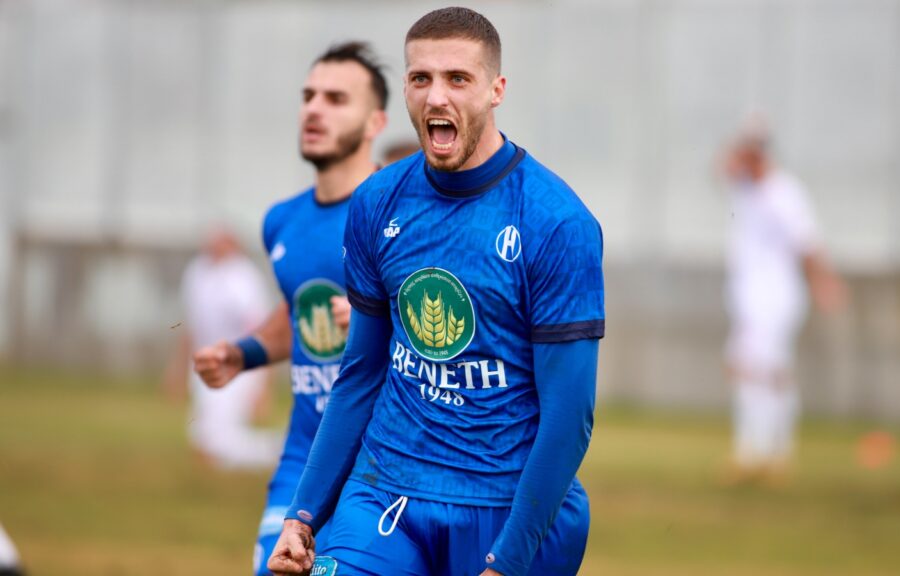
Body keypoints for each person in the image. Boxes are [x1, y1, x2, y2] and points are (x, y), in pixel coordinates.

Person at [268, 7, 604, 576]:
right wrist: (302, 515)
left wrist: (510, 560)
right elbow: (361, 373)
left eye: (458, 78)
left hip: (505, 507)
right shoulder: (377, 202)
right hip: (384, 489)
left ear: (496, 90)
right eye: (421, 78)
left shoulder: (557, 224)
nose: (436, 96)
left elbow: (569, 418)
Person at [191, 42, 388, 575]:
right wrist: (244, 353)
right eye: (308, 96)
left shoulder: (400, 215)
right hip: (304, 455)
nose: (314, 109)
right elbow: (299, 312)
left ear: (376, 122)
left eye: (335, 99)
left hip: (382, 464)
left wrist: (380, 317)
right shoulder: (283, 221)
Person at [721, 119, 845, 482]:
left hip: (775, 298)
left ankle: (772, 450)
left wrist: (824, 282)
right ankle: (754, 450)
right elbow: (721, 169)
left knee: (768, 369)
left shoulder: (784, 193)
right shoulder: (746, 189)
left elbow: (807, 243)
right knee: (747, 367)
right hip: (748, 299)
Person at [166, 225, 278, 469]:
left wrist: (262, 385)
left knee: (222, 440)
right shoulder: (197, 272)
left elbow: (261, 331)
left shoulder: (245, 278)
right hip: (204, 362)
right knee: (202, 439)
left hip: (237, 364)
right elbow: (191, 325)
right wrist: (178, 369)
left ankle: (279, 452)